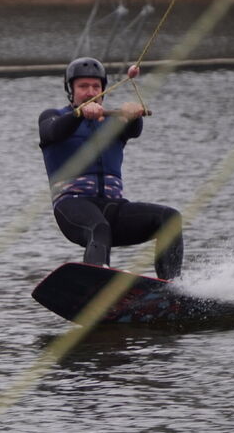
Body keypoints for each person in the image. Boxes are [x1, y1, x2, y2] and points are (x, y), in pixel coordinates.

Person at [38, 57, 183, 280]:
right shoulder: (52, 116)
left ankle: (171, 286)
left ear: (103, 90)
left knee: (170, 218)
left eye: (96, 86)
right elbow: (53, 131)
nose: (90, 92)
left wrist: (132, 115)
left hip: (113, 207)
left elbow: (134, 130)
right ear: (71, 90)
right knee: (99, 227)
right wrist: (79, 113)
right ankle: (97, 280)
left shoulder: (113, 122)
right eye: (83, 86)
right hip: (72, 206)